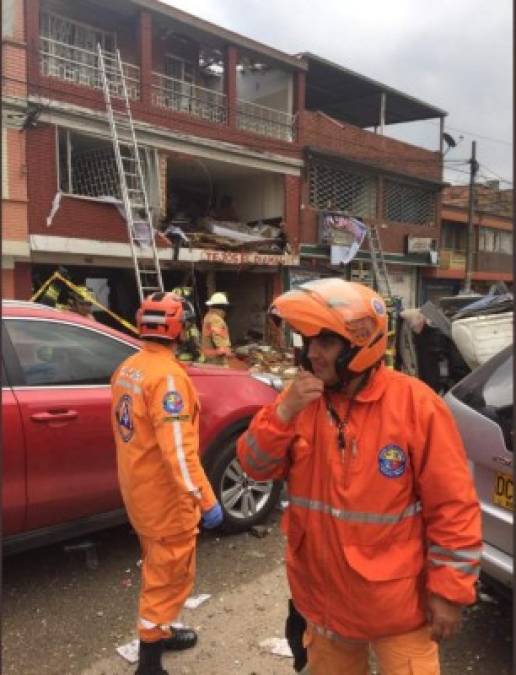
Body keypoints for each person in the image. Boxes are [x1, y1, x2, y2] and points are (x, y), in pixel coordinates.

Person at [237, 278, 481, 675]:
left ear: (360, 346)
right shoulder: (299, 402)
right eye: (308, 341)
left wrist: (450, 593)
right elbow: (253, 465)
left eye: (325, 343)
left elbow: (453, 506)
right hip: (324, 603)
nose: (312, 354)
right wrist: (283, 412)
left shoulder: (416, 406)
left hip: (399, 608)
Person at [111, 291, 223, 675]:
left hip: (141, 492)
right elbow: (178, 451)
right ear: (179, 328)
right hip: (167, 500)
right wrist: (206, 499)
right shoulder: (169, 379)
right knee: (167, 575)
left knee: (159, 568)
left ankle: (162, 631)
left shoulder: (129, 367)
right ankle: (150, 661)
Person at [201, 292, 232, 366]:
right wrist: (227, 351)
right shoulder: (216, 320)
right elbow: (221, 344)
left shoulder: (208, 317)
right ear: (223, 306)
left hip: (209, 359)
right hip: (217, 362)